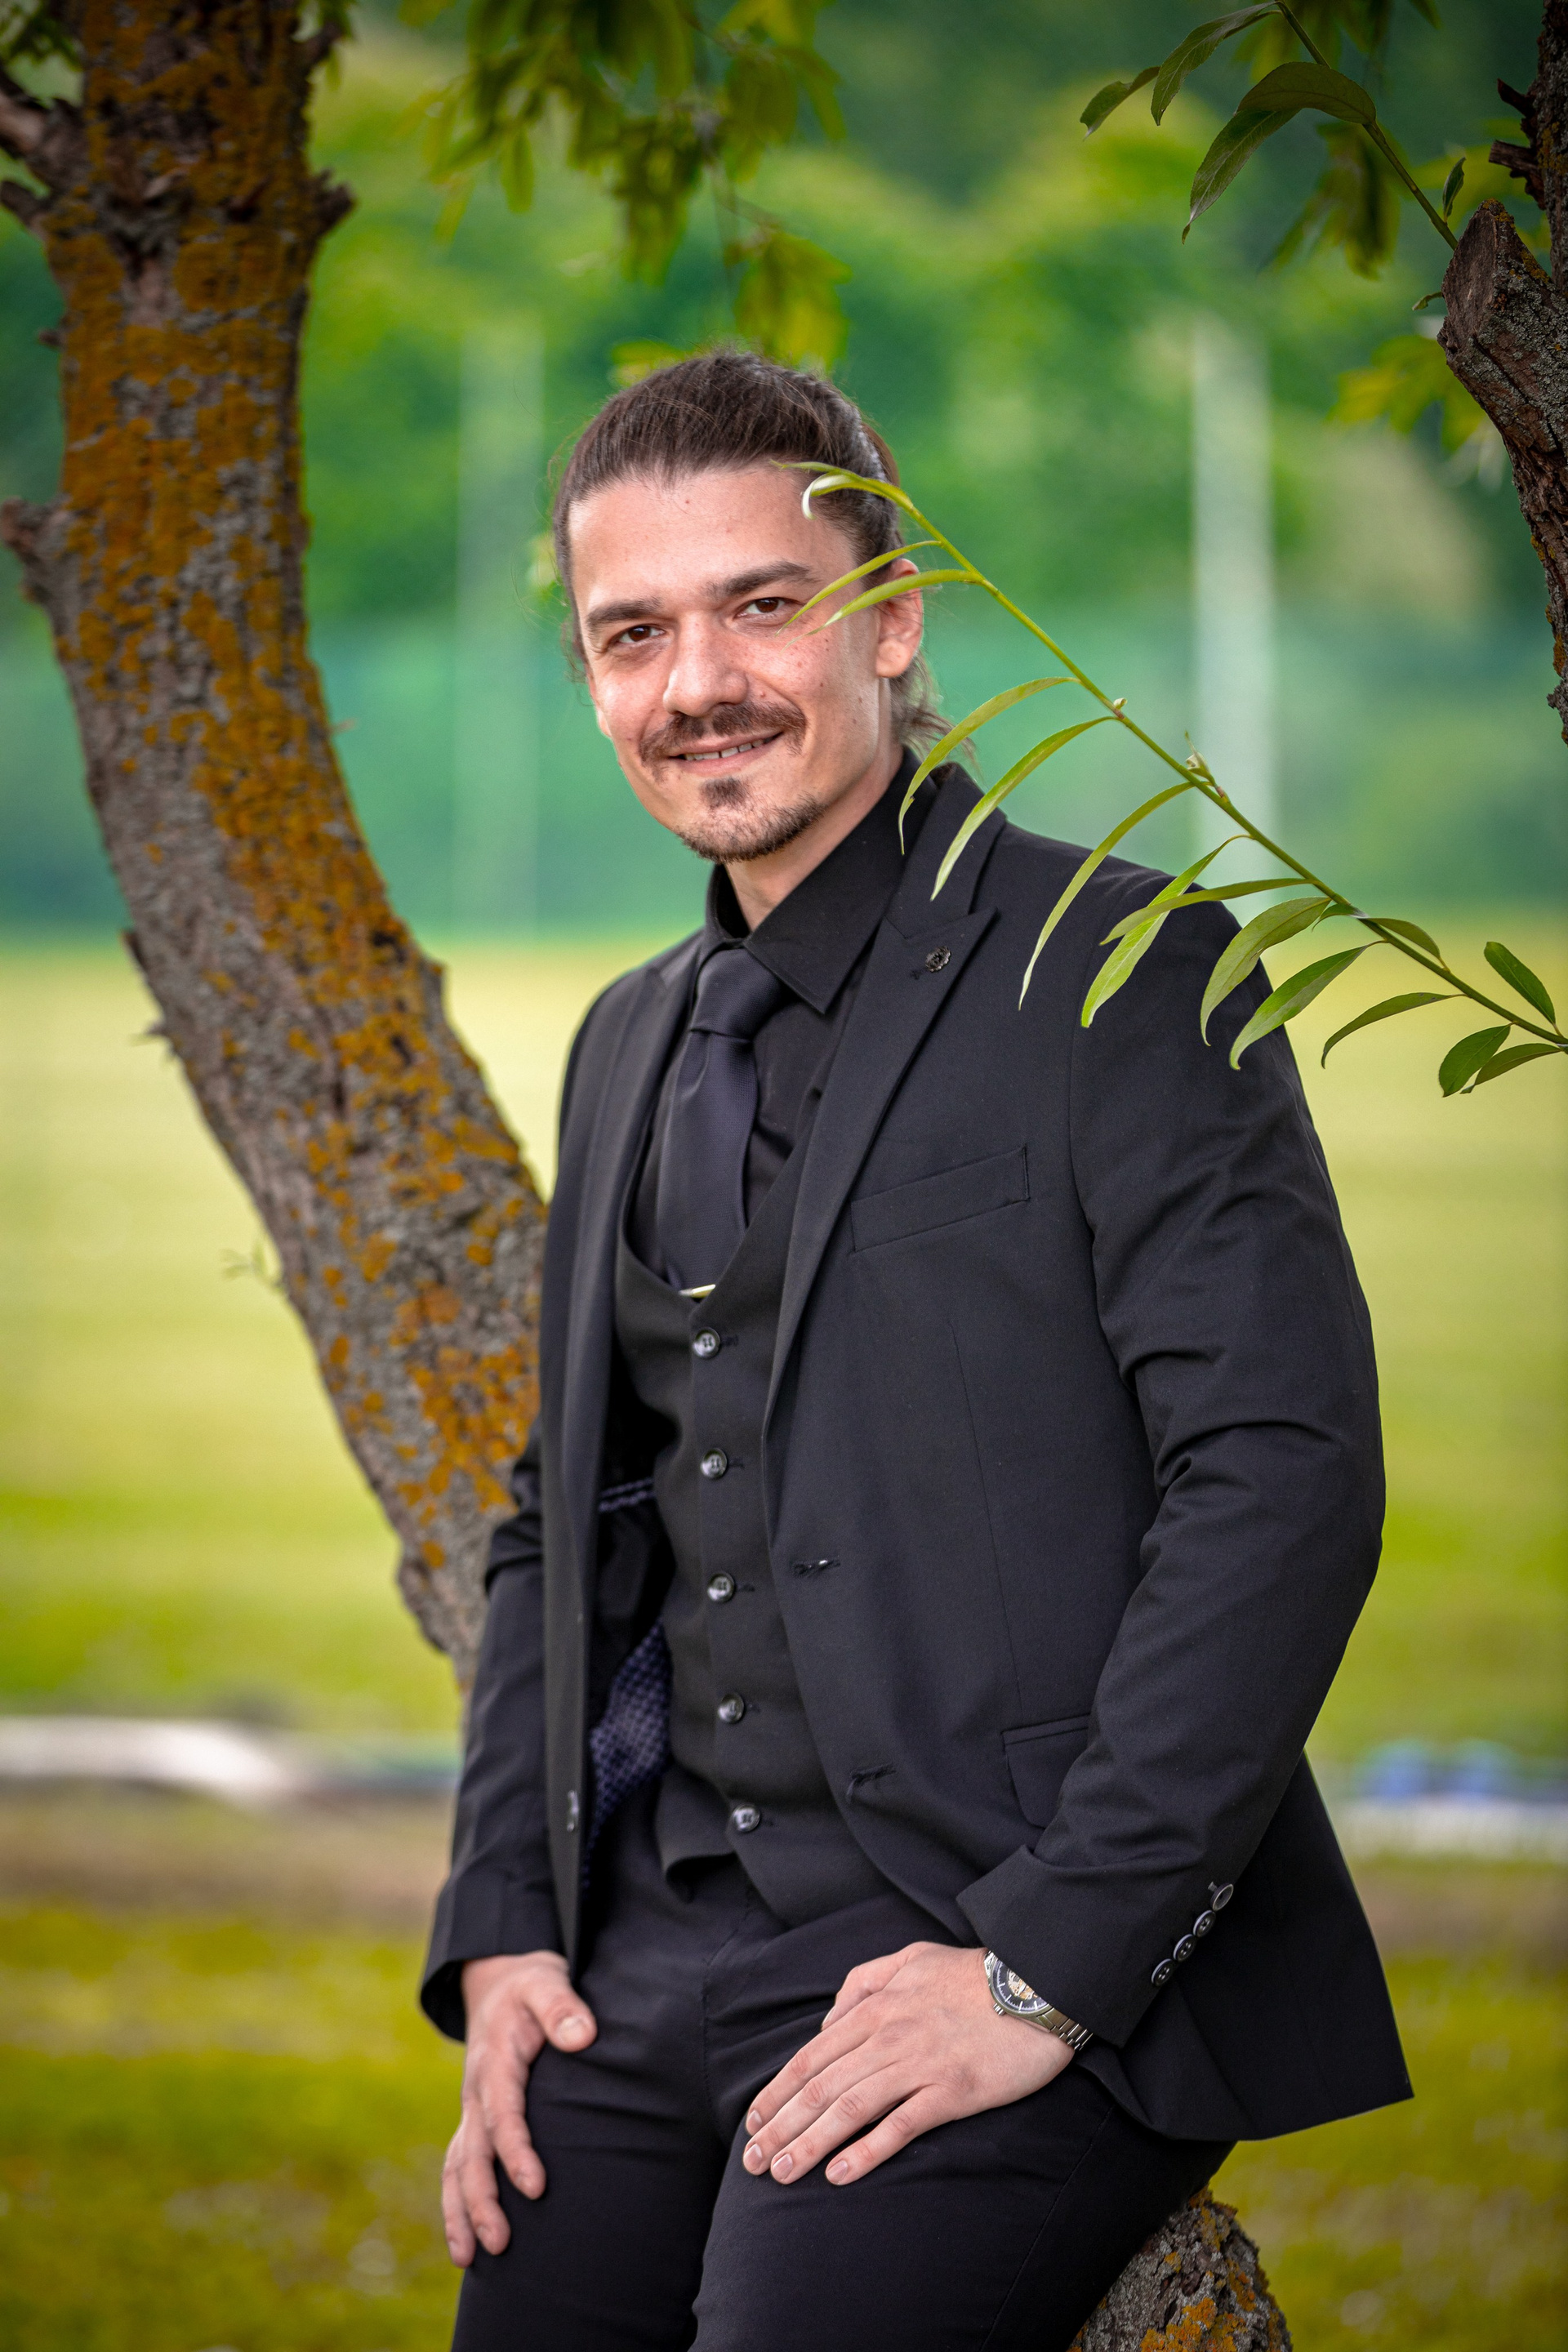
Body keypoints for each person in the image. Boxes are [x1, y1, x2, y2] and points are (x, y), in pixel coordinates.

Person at [420, 352, 1409, 2352]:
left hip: (987, 1920)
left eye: (761, 606)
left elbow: (1281, 1483)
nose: (698, 682)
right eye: (633, 632)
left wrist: (1048, 1966)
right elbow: (561, 1518)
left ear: (892, 624)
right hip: (639, 1960)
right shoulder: (625, 1037)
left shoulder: (1124, 972)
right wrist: (510, 1920)